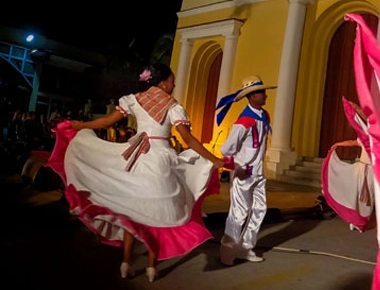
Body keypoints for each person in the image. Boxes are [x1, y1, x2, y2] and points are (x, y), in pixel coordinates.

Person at [45, 63, 225, 282]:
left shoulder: (135, 99)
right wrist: (213, 158)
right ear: (163, 82)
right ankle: (151, 268)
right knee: (156, 215)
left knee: (133, 211)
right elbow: (187, 139)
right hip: (160, 160)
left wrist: (78, 125)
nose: (173, 84)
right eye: (171, 81)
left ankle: (126, 262)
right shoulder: (173, 106)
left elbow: (105, 121)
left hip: (135, 157)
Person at [214, 75, 276, 266]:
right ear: (251, 96)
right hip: (244, 173)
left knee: (259, 209)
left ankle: (246, 247)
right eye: (261, 93)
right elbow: (225, 150)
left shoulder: (264, 116)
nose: (265, 96)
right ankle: (227, 250)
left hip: (258, 173)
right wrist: (234, 167)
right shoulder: (244, 122)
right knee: (238, 213)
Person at [321, 98, 375, 233]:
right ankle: (357, 220)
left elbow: (369, 119)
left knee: (369, 195)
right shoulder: (365, 133)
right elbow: (354, 142)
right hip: (362, 166)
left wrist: (356, 109)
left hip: (373, 169)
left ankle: (364, 219)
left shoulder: (375, 131)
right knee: (358, 193)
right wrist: (338, 144)